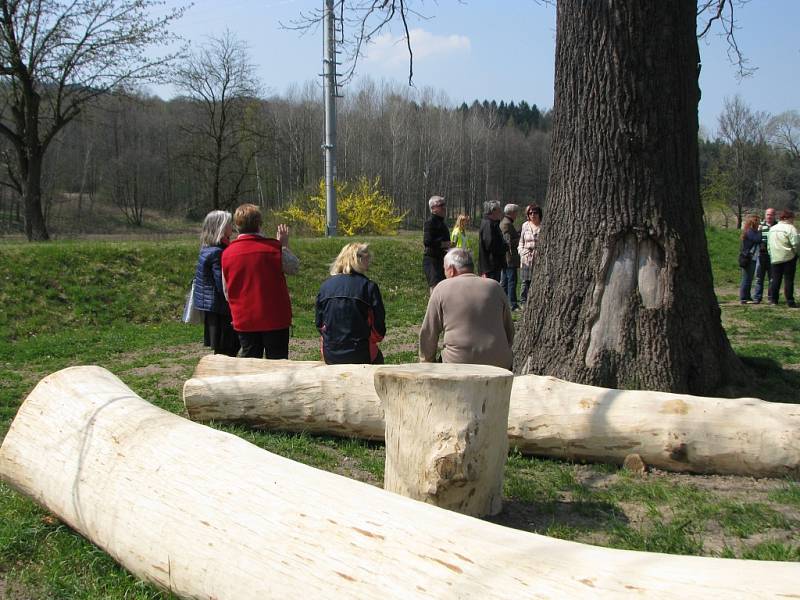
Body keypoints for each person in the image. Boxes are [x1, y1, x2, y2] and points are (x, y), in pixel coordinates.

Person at [221, 203, 300, 359]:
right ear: (259, 224)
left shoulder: (227, 252)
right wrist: (284, 245)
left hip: (245, 318)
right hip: (275, 318)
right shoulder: (273, 248)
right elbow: (294, 267)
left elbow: (227, 290)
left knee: (250, 364)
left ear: (237, 225)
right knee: (278, 364)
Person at [419, 248, 514, 370]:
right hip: (499, 365)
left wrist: (427, 363)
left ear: (451, 270)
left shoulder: (442, 288)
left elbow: (428, 334)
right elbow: (509, 332)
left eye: (444, 270)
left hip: (458, 365)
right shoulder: (495, 286)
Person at [315, 242, 386, 364]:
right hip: (361, 353)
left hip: (331, 354)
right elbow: (378, 329)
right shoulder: (368, 287)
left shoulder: (325, 287)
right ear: (357, 259)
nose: (369, 260)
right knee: (378, 360)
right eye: (367, 256)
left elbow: (320, 325)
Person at [193, 210, 240, 357]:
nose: (231, 227)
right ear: (220, 227)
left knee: (223, 350)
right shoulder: (218, 252)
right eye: (228, 224)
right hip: (221, 309)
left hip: (214, 308)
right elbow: (223, 284)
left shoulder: (207, 248)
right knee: (228, 348)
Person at [767, 209, 800, 307]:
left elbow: (768, 244)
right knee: (788, 280)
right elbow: (796, 243)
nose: (793, 220)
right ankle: (790, 301)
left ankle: (774, 300)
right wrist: (796, 252)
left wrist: (771, 254)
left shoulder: (772, 229)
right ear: (788, 218)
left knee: (775, 279)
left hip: (775, 257)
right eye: (792, 218)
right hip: (788, 257)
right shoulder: (790, 228)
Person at [422, 195, 450, 292]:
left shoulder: (442, 223)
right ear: (433, 208)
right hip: (433, 261)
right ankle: (434, 307)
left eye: (444, 204)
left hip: (443, 260)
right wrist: (444, 244)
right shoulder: (430, 222)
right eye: (441, 205)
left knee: (445, 288)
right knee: (436, 289)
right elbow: (427, 241)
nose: (444, 207)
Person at [518, 204, 542, 305]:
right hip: (526, 257)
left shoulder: (544, 225)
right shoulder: (525, 225)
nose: (533, 215)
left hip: (539, 257)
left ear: (539, 213)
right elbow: (521, 241)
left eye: (535, 212)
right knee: (525, 281)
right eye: (530, 213)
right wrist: (521, 252)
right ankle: (523, 302)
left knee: (537, 280)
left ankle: (535, 302)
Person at [478, 200, 507, 281]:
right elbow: (490, 245)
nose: (501, 212)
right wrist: (504, 246)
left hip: (493, 265)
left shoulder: (492, 223)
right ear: (493, 210)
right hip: (490, 266)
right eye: (499, 209)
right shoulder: (488, 224)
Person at [499, 203, 521, 310]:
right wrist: (518, 238)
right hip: (509, 257)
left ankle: (503, 302)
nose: (517, 215)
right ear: (512, 213)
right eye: (516, 212)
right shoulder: (506, 224)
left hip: (507, 257)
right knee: (511, 280)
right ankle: (512, 303)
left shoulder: (506, 222)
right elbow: (508, 241)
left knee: (505, 281)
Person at [754, 207, 777, 304]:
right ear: (765, 215)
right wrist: (758, 232)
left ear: (774, 216)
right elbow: (754, 238)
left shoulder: (778, 226)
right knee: (759, 277)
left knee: (772, 278)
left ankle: (771, 298)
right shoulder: (760, 226)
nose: (769, 216)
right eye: (768, 214)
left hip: (773, 255)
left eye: (771, 214)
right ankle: (757, 297)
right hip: (761, 254)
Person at [738, 214, 762, 304]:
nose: (759, 223)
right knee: (746, 278)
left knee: (749, 278)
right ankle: (743, 297)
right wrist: (760, 231)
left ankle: (747, 296)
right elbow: (757, 239)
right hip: (748, 258)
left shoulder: (750, 231)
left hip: (752, 257)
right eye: (757, 222)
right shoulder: (750, 231)